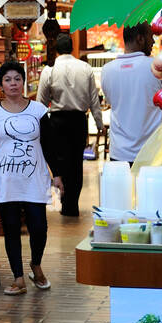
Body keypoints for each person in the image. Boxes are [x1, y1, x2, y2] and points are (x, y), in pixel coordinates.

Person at [0, 61, 62, 295]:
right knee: (12, 226)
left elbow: (48, 144)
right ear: (1, 85)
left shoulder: (38, 110)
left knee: (39, 226)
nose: (13, 83)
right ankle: (18, 278)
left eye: (17, 78)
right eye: (8, 79)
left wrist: (56, 174)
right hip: (5, 179)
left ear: (23, 81)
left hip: (34, 178)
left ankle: (35, 264)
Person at [38, 33, 103, 216]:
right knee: (76, 163)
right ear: (71, 47)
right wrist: (99, 123)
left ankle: (65, 201)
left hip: (57, 121)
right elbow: (93, 99)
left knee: (60, 162)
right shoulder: (85, 68)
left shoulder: (49, 70)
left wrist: (37, 123)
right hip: (78, 121)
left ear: (56, 49)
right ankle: (72, 203)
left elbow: (41, 101)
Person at [99, 22, 162, 165]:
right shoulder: (157, 67)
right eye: (150, 36)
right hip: (152, 153)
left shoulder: (106, 71)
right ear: (140, 39)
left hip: (119, 154)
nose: (153, 41)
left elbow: (111, 102)